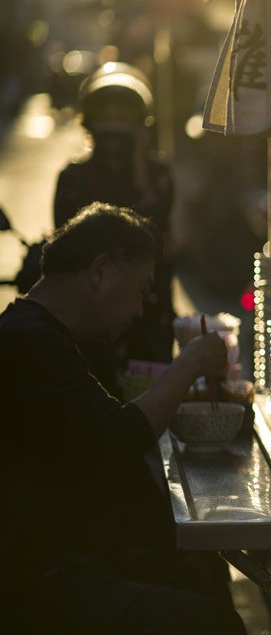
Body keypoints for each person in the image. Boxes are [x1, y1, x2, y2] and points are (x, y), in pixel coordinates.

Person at [0, 203, 245, 635]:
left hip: (64, 555)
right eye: (140, 289)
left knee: (201, 571)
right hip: (37, 579)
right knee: (213, 622)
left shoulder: (46, 334)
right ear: (100, 270)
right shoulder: (29, 343)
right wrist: (186, 365)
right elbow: (118, 437)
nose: (138, 309)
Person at [51, 61, 177, 397]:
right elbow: (67, 248)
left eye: (124, 119)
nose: (115, 127)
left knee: (153, 397)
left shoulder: (158, 172)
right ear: (90, 122)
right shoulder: (73, 178)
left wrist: (139, 166)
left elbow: (158, 232)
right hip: (89, 312)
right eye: (108, 118)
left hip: (150, 311)